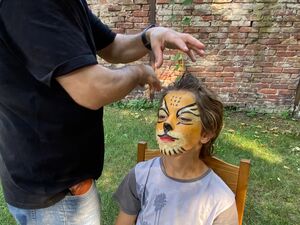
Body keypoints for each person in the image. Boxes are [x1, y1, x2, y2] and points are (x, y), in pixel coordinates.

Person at [0, 0, 206, 224]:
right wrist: (137, 73)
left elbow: (112, 47)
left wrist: (151, 35)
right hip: (56, 190)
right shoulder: (32, 4)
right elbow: (92, 88)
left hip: (54, 180)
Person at [114, 73, 238, 225]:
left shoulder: (221, 201)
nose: (167, 123)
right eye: (162, 116)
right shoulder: (140, 176)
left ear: (206, 134)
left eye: (184, 118)